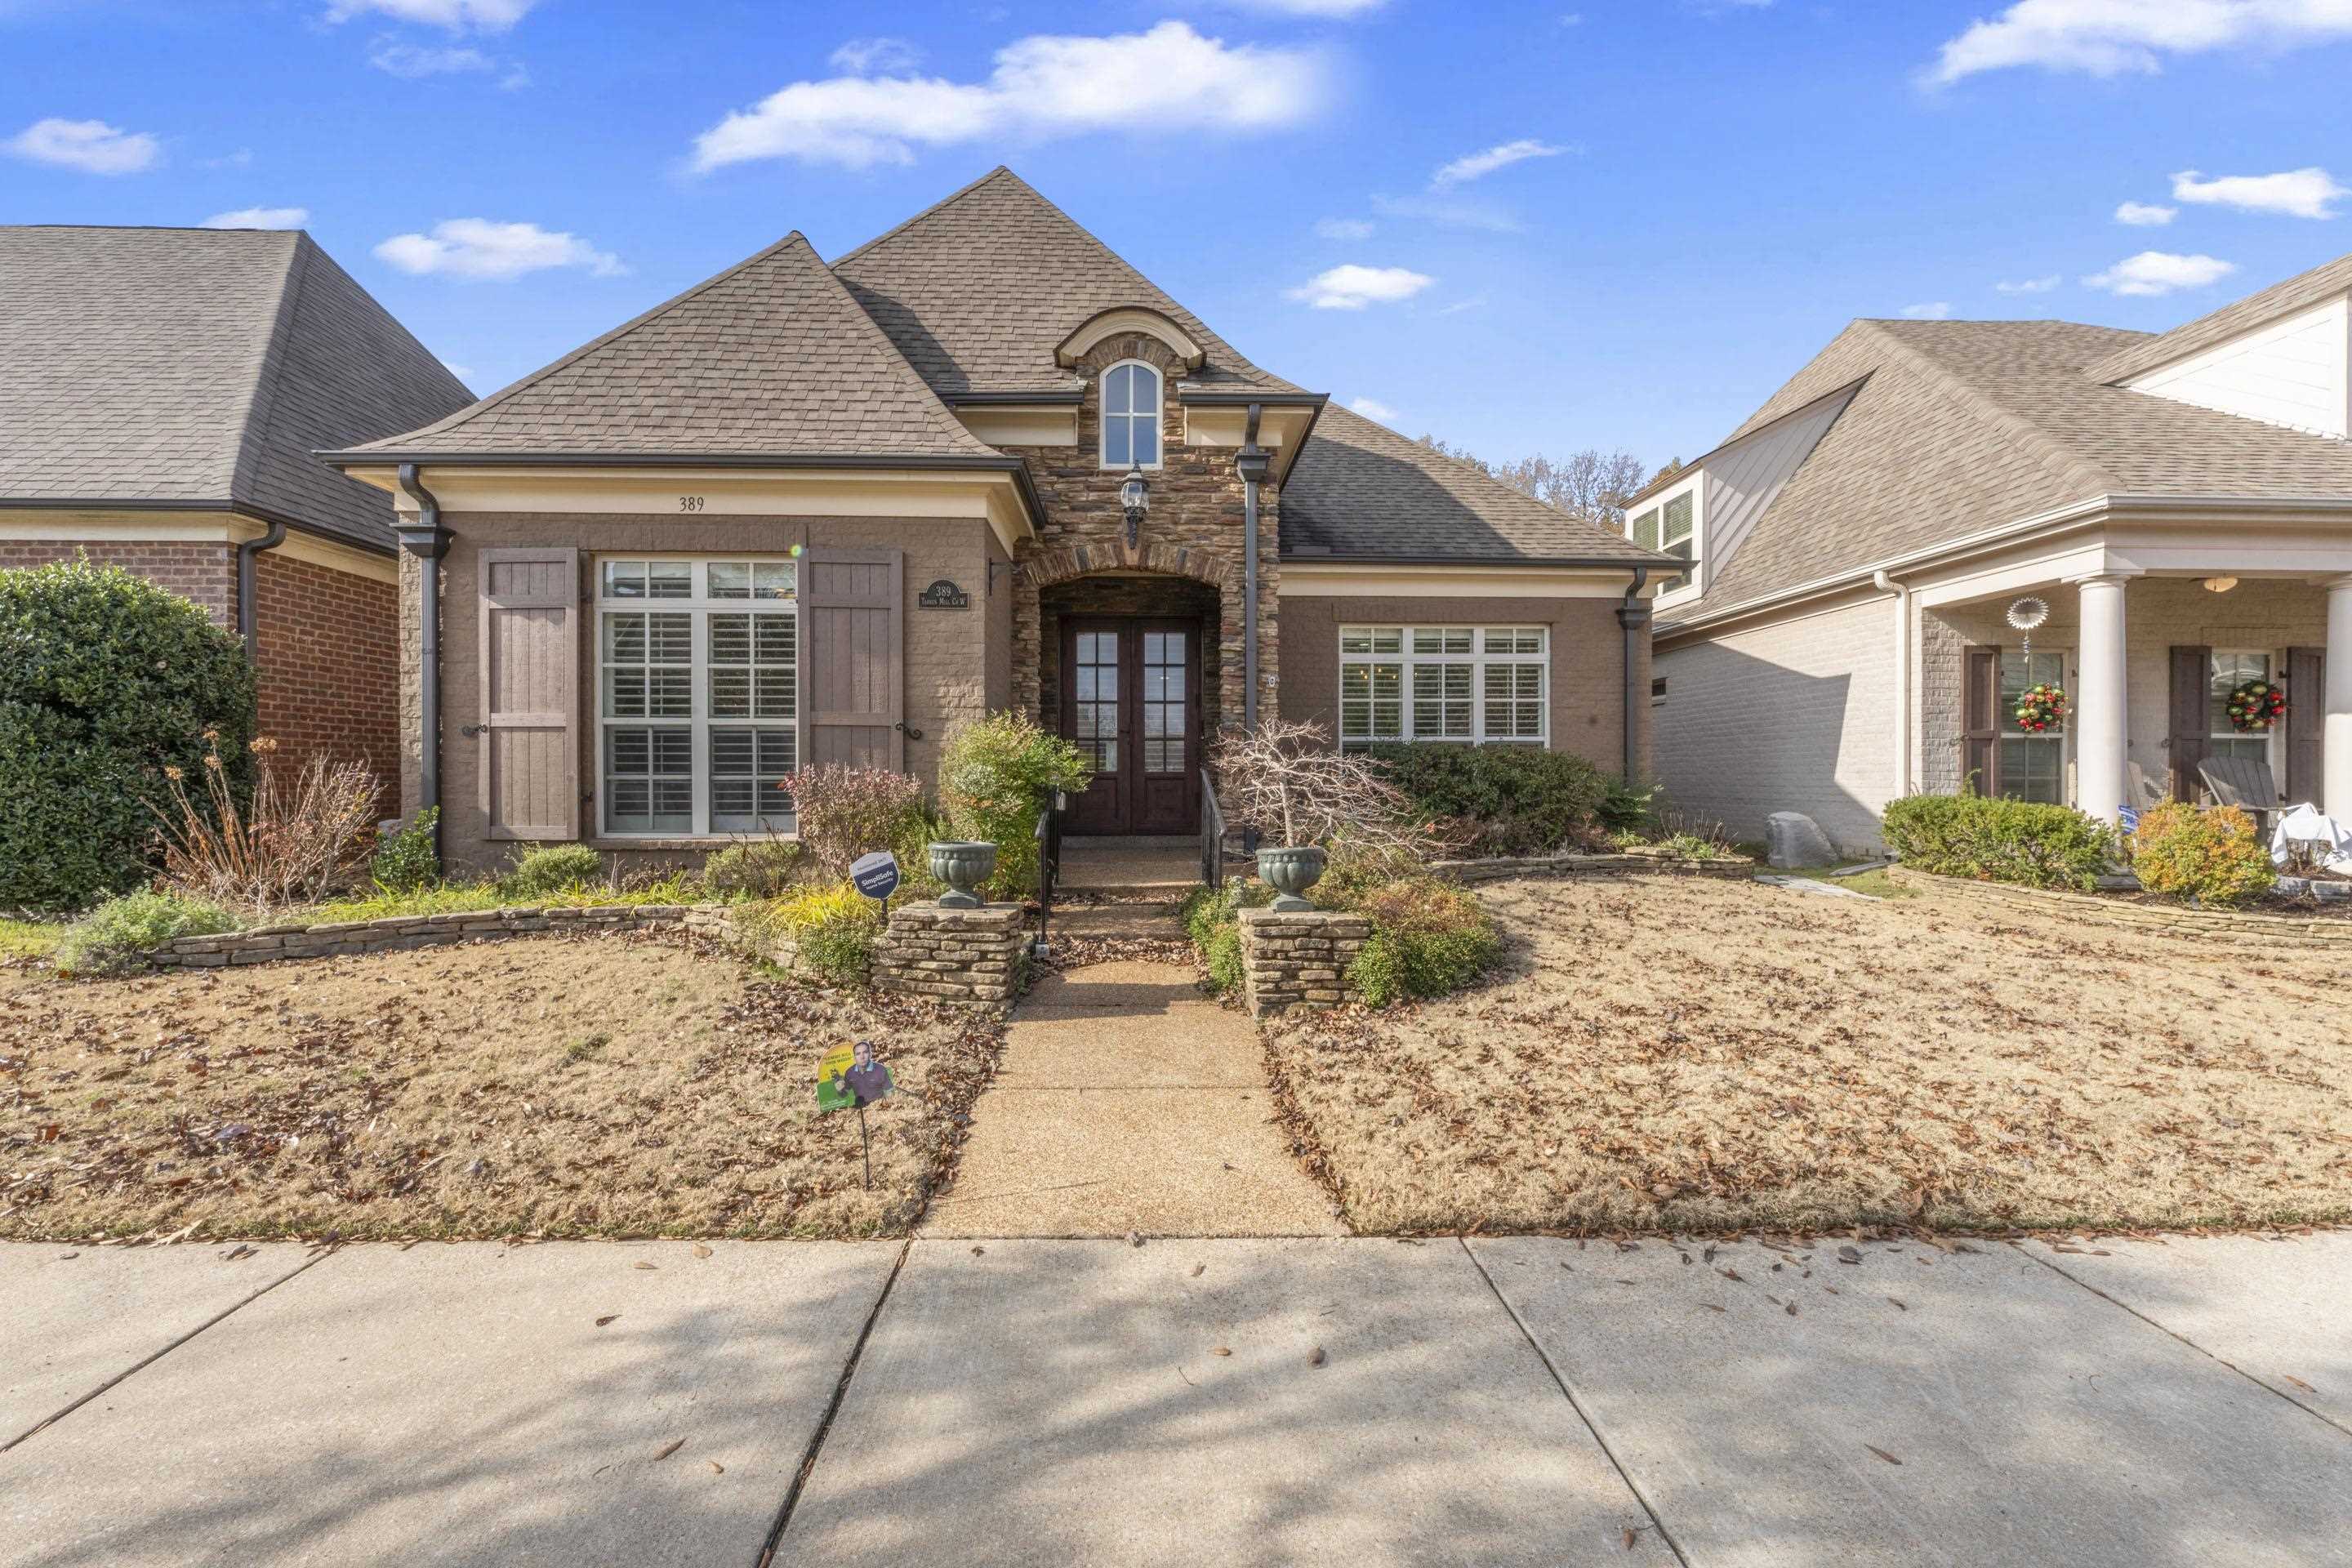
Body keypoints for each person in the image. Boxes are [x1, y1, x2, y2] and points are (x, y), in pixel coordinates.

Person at [843, 1039, 894, 1107]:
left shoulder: (881, 1070)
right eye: (858, 1054)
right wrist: (839, 1088)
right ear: (854, 1057)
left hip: (879, 1106)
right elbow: (844, 1094)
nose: (862, 1057)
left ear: (870, 1054)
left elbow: (890, 1093)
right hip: (859, 1108)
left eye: (865, 1052)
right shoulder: (849, 1072)